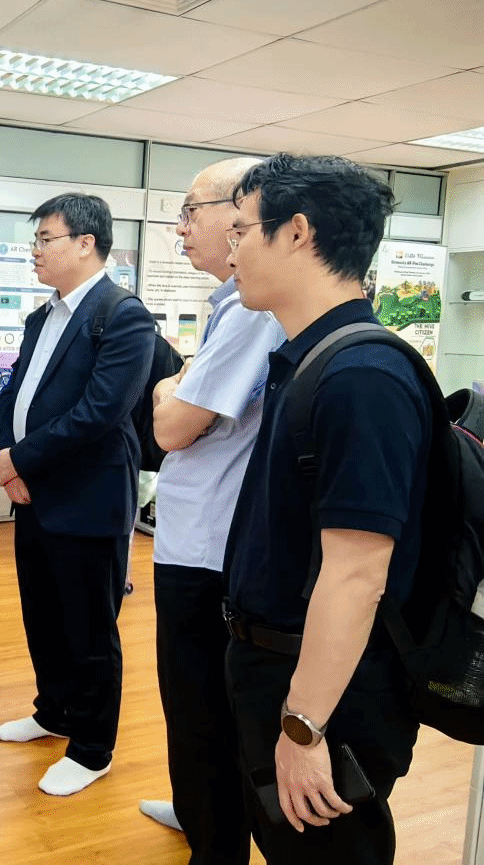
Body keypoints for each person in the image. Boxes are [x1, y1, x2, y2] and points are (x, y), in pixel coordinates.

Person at [223, 154, 430, 864]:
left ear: (297, 232)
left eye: (242, 230)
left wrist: (304, 726)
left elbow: (357, 573)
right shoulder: (309, 358)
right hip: (277, 668)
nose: (231, 250)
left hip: (328, 693)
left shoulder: (362, 376)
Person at [137, 157, 283, 864]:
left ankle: (213, 839)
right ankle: (198, 807)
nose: (181, 228)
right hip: (195, 535)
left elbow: (173, 425)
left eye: (191, 211)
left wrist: (171, 388)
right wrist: (179, 385)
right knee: (189, 702)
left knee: (199, 706)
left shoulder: (254, 311)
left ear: (240, 214)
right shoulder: (229, 303)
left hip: (209, 548)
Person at [0, 192, 155, 796]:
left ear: (86, 244)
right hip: (32, 493)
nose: (34, 251)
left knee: (89, 630)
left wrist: (19, 459)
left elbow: (100, 413)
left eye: (46, 239)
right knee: (43, 615)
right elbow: (15, 394)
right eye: (35, 240)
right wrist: (9, 462)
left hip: (88, 499)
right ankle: (53, 712)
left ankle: (91, 748)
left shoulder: (123, 315)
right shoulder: (44, 315)